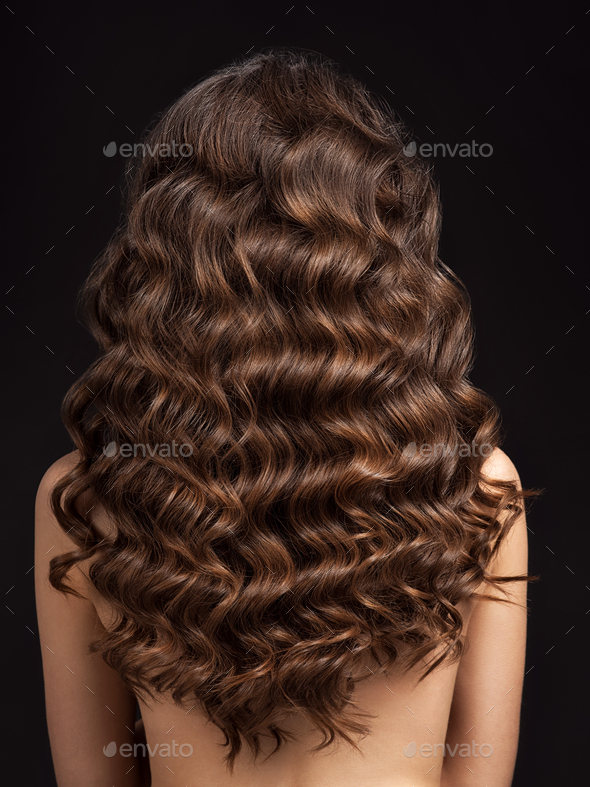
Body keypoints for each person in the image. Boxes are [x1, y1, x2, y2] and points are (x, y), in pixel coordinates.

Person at [35, 47, 536, 787]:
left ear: (169, 259)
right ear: (377, 258)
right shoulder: (472, 482)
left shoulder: (88, 498)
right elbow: (479, 775)